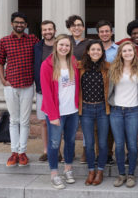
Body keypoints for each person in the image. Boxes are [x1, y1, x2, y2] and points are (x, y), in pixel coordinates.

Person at [0, 12, 39, 167]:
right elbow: (0, 62)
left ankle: (22, 152)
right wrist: (2, 79)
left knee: (25, 120)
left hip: (28, 85)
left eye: (22, 22)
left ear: (26, 25)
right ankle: (14, 152)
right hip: (11, 85)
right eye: (17, 22)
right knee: (13, 120)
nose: (19, 24)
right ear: (12, 23)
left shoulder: (33, 40)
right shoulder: (4, 41)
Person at [41, 34, 80, 189]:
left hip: (73, 110)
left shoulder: (73, 62)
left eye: (67, 46)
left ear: (70, 48)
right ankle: (54, 174)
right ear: (56, 45)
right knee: (54, 143)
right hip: (56, 112)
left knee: (70, 141)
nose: (64, 48)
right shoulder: (47, 64)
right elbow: (46, 92)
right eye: (61, 45)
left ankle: (68, 169)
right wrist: (52, 115)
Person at [116, 19, 138, 165]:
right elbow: (113, 47)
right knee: (128, 130)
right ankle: (130, 153)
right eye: (134, 33)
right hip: (127, 94)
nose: (137, 35)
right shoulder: (126, 44)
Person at [108, 41, 138, 188]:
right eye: (124, 51)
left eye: (130, 50)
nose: (127, 53)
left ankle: (131, 174)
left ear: (134, 52)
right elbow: (110, 89)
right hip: (116, 110)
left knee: (133, 146)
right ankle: (121, 173)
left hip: (133, 110)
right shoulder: (114, 68)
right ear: (120, 53)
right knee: (120, 145)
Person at [78, 40, 110, 186]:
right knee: (89, 143)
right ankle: (91, 170)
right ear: (88, 51)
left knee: (103, 143)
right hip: (86, 109)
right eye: (93, 49)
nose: (96, 51)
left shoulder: (107, 67)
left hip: (103, 109)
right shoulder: (80, 67)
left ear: (102, 52)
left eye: (98, 49)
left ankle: (100, 171)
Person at [66, 15, 89, 163]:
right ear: (69, 28)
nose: (77, 27)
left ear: (83, 27)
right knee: (71, 121)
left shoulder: (89, 43)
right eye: (73, 25)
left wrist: (77, 65)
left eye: (79, 25)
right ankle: (70, 149)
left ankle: (86, 150)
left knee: (85, 121)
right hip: (67, 86)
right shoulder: (64, 42)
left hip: (85, 85)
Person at [34, 20, 57, 162]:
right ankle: (46, 150)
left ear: (54, 30)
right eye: (44, 30)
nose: (47, 32)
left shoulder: (60, 45)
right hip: (41, 90)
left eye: (50, 29)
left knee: (57, 122)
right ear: (41, 32)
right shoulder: (37, 47)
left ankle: (57, 151)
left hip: (58, 91)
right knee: (44, 122)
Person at [95, 20, 118, 166]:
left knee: (110, 125)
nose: (104, 34)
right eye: (101, 31)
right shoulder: (94, 48)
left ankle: (109, 153)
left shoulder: (118, 49)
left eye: (107, 31)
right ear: (98, 33)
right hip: (96, 92)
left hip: (114, 91)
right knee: (98, 126)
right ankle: (99, 154)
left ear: (111, 32)